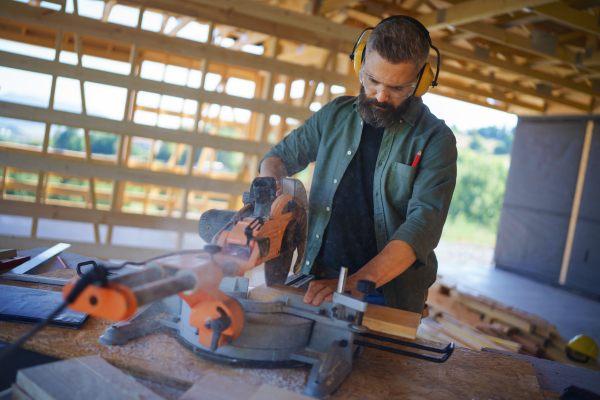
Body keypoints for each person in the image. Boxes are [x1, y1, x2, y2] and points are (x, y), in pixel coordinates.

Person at [259, 16, 457, 314]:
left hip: (385, 292)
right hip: (316, 275)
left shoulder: (435, 139)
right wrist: (272, 192)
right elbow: (277, 158)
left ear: (422, 80)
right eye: (372, 79)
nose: (380, 95)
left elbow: (421, 228)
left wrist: (356, 282)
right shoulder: (334, 115)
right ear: (359, 64)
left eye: (397, 88)